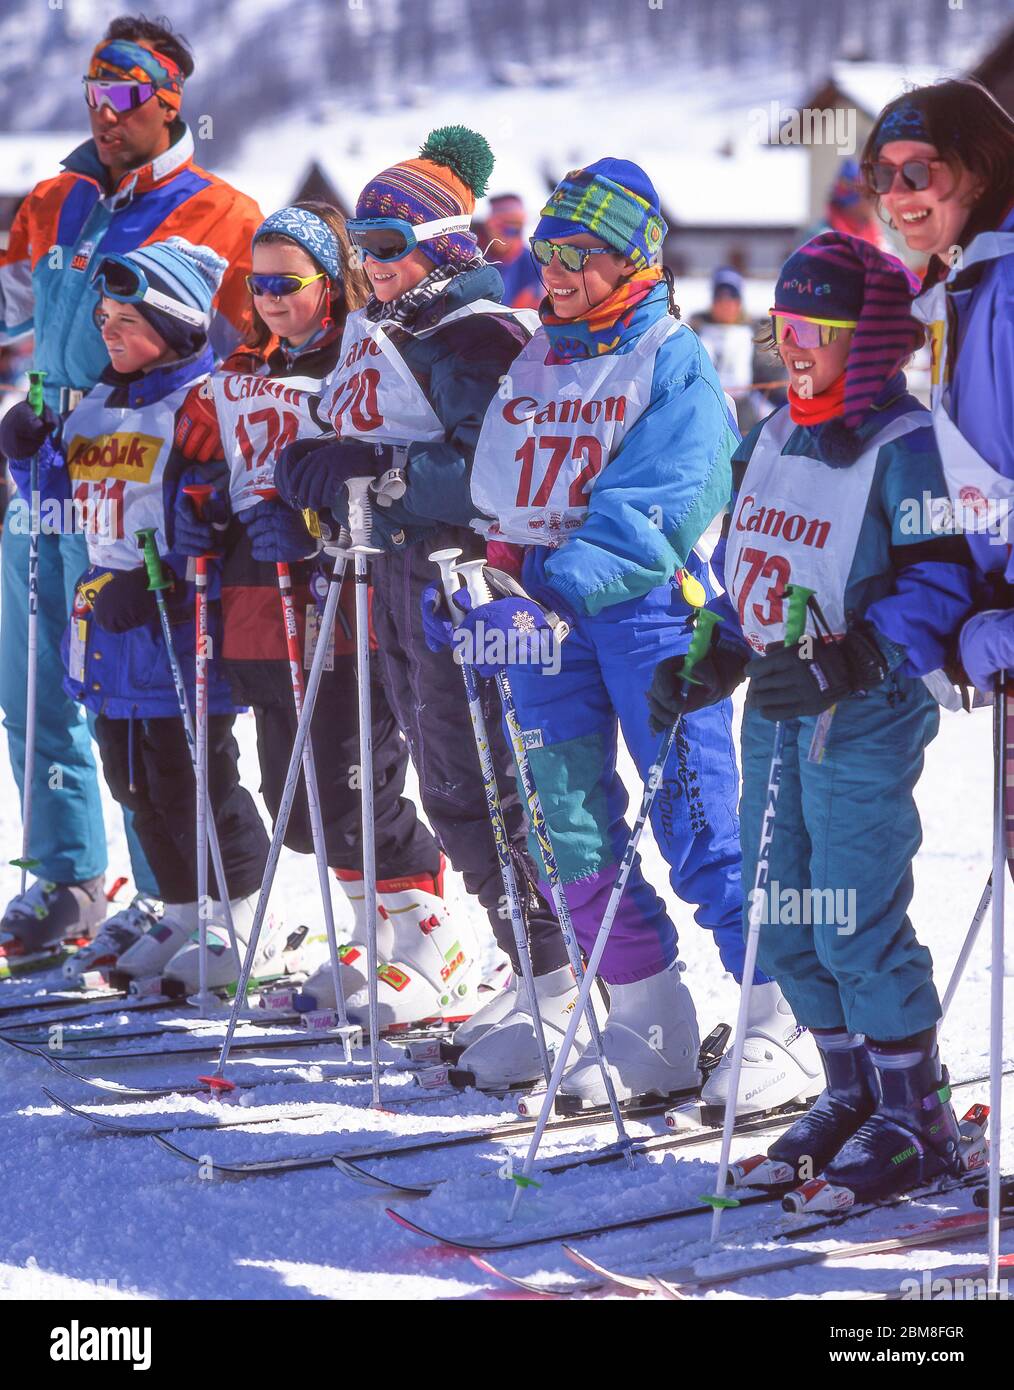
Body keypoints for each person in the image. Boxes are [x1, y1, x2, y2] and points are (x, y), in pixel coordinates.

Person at [423, 157, 818, 1109]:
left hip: (648, 614)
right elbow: (499, 494)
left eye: (577, 254)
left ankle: (783, 1016)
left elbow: (666, 501)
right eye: (546, 252)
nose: (554, 272)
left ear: (632, 261)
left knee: (698, 821)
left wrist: (550, 580)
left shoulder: (670, 360)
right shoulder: (535, 358)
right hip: (543, 622)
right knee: (566, 826)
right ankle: (648, 1018)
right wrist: (491, 582)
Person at [648, 231, 978, 1202]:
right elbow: (751, 564)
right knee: (781, 910)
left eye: (819, 329)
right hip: (780, 706)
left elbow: (942, 582)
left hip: (865, 707)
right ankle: (850, 1089)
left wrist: (856, 657)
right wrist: (716, 652)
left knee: (850, 915)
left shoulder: (905, 448)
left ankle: (916, 1114)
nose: (793, 346)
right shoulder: (773, 435)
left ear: (871, 342)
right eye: (783, 324)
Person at [273, 128, 567, 1081]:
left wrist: (384, 469)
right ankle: (520, 967)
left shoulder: (477, 335)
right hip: (400, 578)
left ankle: (557, 972)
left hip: (462, 583)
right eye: (363, 247)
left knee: (487, 784)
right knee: (447, 790)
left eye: (391, 245)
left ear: (444, 244)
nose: (373, 265)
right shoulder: (397, 333)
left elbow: (493, 469)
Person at [177, 200, 490, 1028]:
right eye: (259, 282)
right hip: (269, 592)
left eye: (289, 282)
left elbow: (378, 458)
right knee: (300, 779)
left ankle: (430, 939)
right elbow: (225, 456)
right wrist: (204, 502)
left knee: (358, 773)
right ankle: (370, 930)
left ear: (333, 281)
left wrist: (317, 517)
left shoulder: (361, 356)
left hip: (354, 590)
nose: (272, 297)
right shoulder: (247, 364)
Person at [0, 13, 262, 952]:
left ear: (166, 101)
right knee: (32, 676)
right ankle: (65, 878)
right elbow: (9, 305)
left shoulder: (225, 213)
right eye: (90, 96)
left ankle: (172, 893)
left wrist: (219, 445)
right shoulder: (56, 199)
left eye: (119, 97)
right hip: (48, 457)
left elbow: (266, 344)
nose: (102, 114)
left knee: (141, 683)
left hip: (147, 469)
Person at [858, 82, 1014, 697]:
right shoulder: (968, 284)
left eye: (918, 171)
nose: (896, 196)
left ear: (979, 170)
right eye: (881, 174)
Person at [689, 266, 785, 434]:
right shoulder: (695, 331)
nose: (726, 304)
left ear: (739, 302)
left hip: (742, 416)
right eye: (720, 297)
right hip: (703, 410)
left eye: (732, 297)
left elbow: (770, 377)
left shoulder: (753, 334)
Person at [481, 194, 543, 310]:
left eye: (515, 227)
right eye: (499, 226)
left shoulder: (534, 265)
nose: (509, 233)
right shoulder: (474, 256)